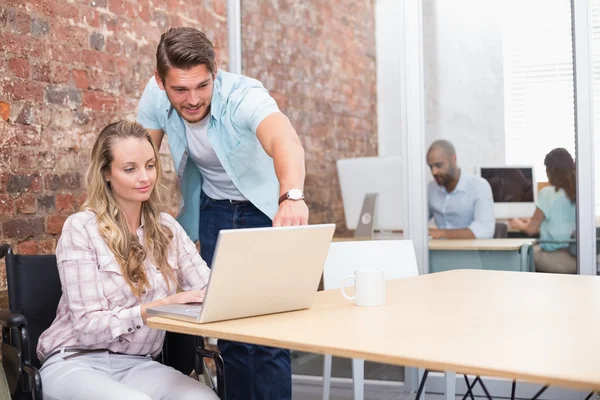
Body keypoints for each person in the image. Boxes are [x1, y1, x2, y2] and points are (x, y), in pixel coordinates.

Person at [136, 27, 308, 399]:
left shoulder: (243, 95)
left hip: (265, 210)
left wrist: (292, 196)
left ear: (215, 73)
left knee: (267, 334)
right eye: (180, 89)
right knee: (227, 329)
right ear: (160, 81)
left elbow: (284, 139)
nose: (193, 99)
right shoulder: (154, 96)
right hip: (213, 209)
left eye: (202, 85)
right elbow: (137, 158)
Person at [36, 121, 218, 400]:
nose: (144, 177)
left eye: (150, 165)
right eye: (130, 168)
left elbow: (211, 290)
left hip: (139, 363)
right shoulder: (81, 228)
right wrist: (155, 309)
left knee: (202, 397)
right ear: (106, 173)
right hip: (74, 361)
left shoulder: (167, 228)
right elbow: (87, 329)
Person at [510, 148, 577, 274]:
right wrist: (532, 221)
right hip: (578, 258)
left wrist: (519, 224)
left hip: (555, 258)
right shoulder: (577, 192)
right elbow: (560, 224)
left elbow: (531, 230)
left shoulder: (547, 193)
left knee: (520, 255)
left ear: (550, 171)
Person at [426, 139, 495, 239]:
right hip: (438, 252)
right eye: (430, 167)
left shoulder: (479, 186)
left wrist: (441, 233)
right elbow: (418, 223)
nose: (434, 172)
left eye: (438, 165)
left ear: (453, 159)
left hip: (469, 252)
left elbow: (485, 230)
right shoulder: (431, 188)